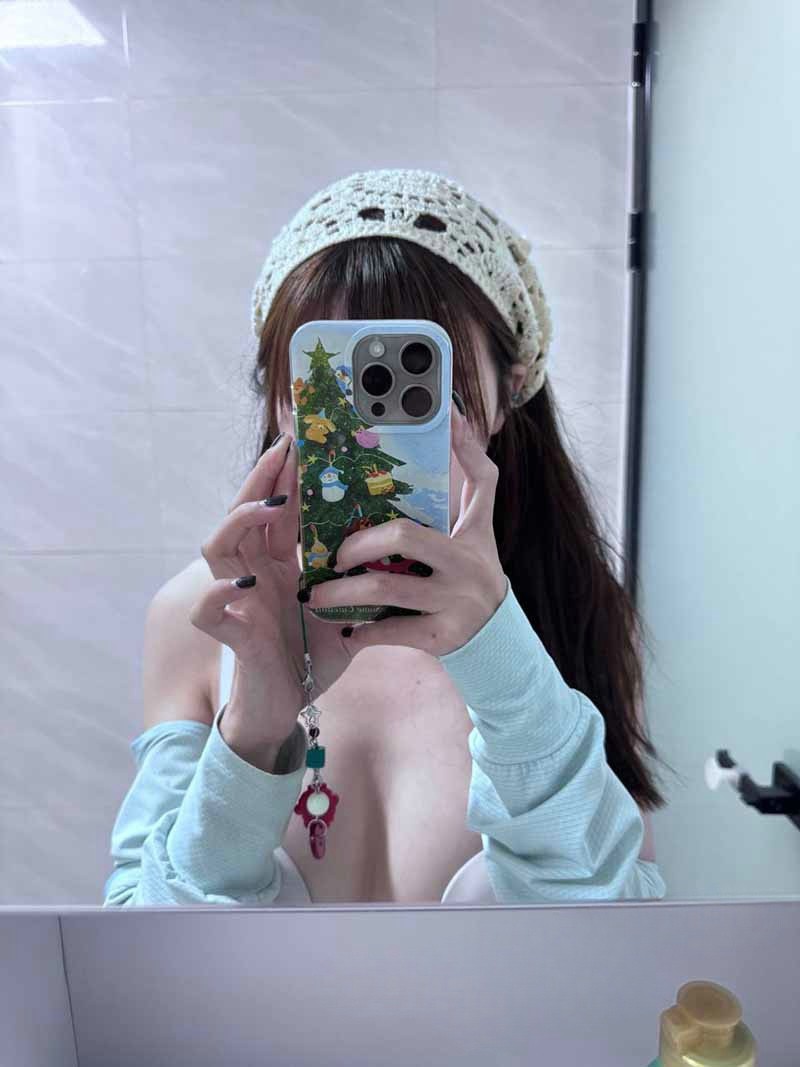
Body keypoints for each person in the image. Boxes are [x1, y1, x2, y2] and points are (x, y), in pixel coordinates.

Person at [103, 169, 671, 907]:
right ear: (279, 397)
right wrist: (251, 735)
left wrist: (504, 664)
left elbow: (621, 930)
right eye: (329, 383)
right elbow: (141, 945)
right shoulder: (205, 618)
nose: (370, 433)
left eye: (421, 388)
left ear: (508, 394)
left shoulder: (574, 608)